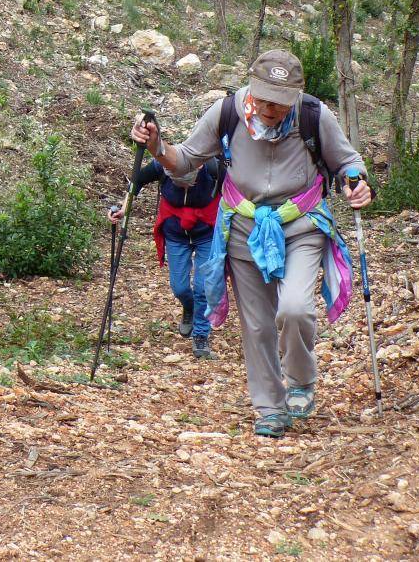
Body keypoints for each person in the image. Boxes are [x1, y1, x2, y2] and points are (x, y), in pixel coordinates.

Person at [129, 49, 372, 438]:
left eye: (280, 101)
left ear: (296, 95)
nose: (270, 108)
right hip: (242, 226)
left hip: (302, 222)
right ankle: (269, 408)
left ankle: (301, 380)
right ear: (251, 89)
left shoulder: (313, 115)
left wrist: (356, 183)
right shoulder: (226, 112)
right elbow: (186, 160)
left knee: (294, 308)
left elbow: (347, 162)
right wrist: (158, 146)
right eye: (263, 98)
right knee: (257, 326)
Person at [109, 157, 224, 360]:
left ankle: (200, 336)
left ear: (198, 168)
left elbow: (236, 194)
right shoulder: (162, 164)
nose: (183, 185)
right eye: (177, 182)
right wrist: (123, 208)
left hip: (207, 230)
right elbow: (136, 181)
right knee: (179, 287)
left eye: (188, 182)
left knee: (203, 287)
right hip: (175, 232)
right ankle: (189, 307)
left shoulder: (215, 168)